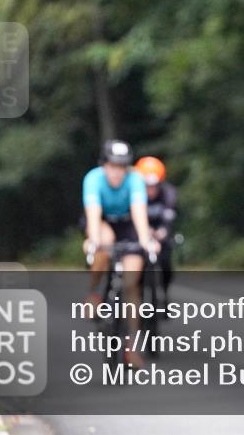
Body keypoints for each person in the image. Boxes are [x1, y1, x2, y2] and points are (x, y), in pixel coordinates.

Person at [82, 139, 159, 367]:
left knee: (131, 282)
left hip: (127, 225)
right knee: (103, 243)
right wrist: (93, 241)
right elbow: (93, 214)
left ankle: (131, 346)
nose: (117, 172)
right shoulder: (93, 179)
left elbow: (139, 213)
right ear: (104, 165)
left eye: (122, 166)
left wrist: (146, 241)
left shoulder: (135, 180)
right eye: (113, 166)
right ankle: (94, 292)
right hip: (103, 221)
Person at [134, 156, 179, 304]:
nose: (150, 190)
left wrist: (163, 231)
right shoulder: (134, 194)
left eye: (154, 185)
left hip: (161, 234)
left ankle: (164, 293)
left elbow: (169, 216)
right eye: (146, 186)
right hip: (140, 234)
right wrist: (144, 231)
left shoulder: (168, 193)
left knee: (166, 265)